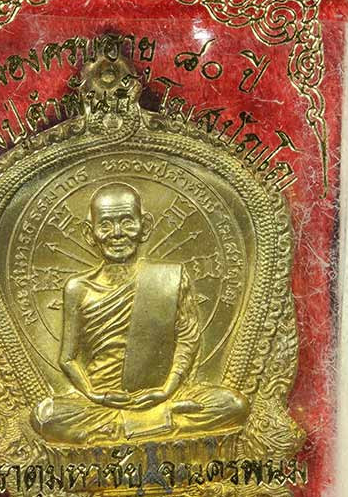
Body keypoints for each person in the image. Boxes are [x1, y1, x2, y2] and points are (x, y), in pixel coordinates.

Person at [31, 182, 249, 444]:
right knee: (45, 416)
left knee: (233, 404)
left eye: (127, 222)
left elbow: (188, 339)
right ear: (90, 233)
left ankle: (124, 428)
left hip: (164, 395)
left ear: (144, 227)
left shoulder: (169, 278)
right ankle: (157, 421)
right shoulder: (78, 288)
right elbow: (67, 359)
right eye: (105, 225)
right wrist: (95, 395)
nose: (117, 234)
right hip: (102, 403)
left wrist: (166, 390)